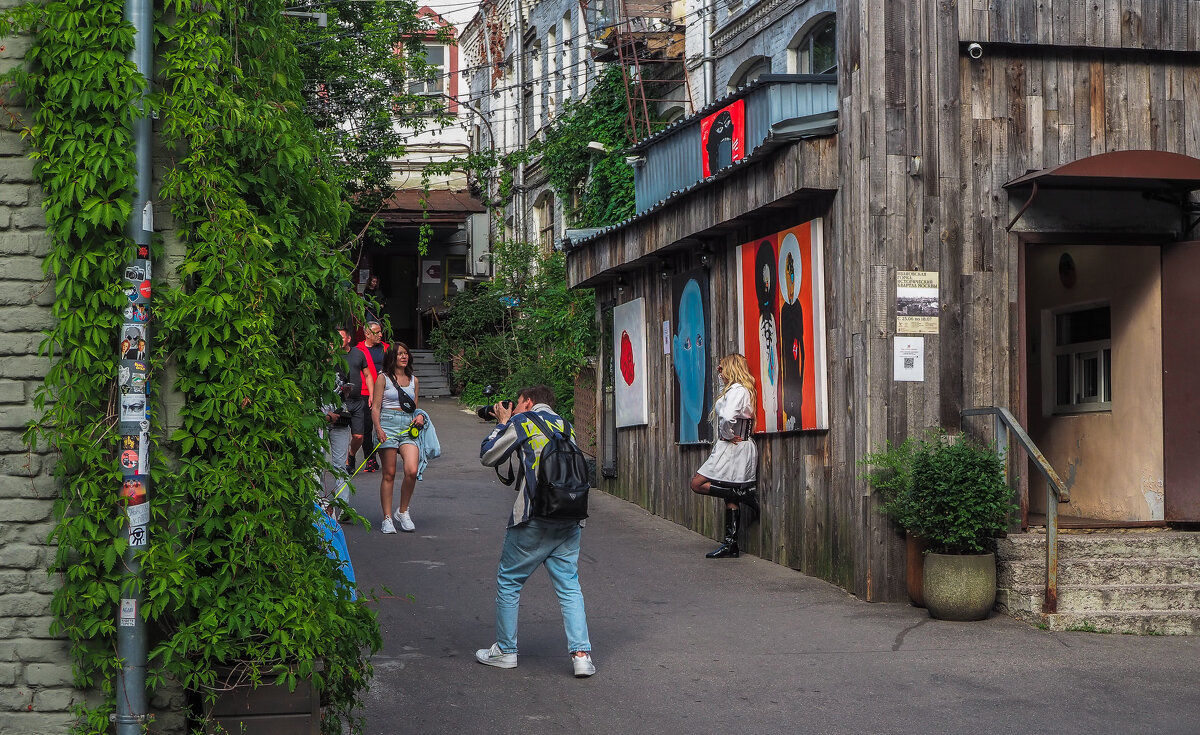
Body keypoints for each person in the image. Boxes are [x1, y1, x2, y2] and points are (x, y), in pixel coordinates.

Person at [476, 385, 595, 678]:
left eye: (516, 403)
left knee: (509, 580)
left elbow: (489, 456)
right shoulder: (566, 426)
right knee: (569, 586)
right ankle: (581, 655)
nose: (514, 408)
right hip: (570, 517)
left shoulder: (522, 421)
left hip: (534, 516)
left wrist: (503, 422)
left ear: (528, 401)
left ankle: (506, 650)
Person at [689, 353, 760, 559]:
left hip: (733, 447)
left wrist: (728, 435)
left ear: (731, 368)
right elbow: (725, 406)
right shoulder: (735, 390)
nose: (719, 371)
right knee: (729, 493)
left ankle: (745, 496)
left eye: (722, 368)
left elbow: (728, 416)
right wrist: (722, 380)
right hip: (733, 447)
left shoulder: (738, 390)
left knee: (697, 484)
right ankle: (731, 545)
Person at [372, 342, 423, 533]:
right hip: (387, 423)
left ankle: (403, 511)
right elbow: (376, 407)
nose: (404, 356)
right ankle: (387, 518)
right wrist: (378, 429)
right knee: (389, 473)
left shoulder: (414, 380)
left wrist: (419, 416)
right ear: (392, 357)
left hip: (408, 426)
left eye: (406, 353)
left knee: (412, 470)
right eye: (400, 354)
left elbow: (414, 407)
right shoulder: (382, 378)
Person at [353, 321, 386, 473]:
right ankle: (370, 458)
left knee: (385, 424)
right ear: (367, 334)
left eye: (380, 332)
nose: (380, 335)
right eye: (377, 332)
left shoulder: (386, 349)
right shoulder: (358, 350)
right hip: (366, 392)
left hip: (386, 390)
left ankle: (387, 455)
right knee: (366, 427)